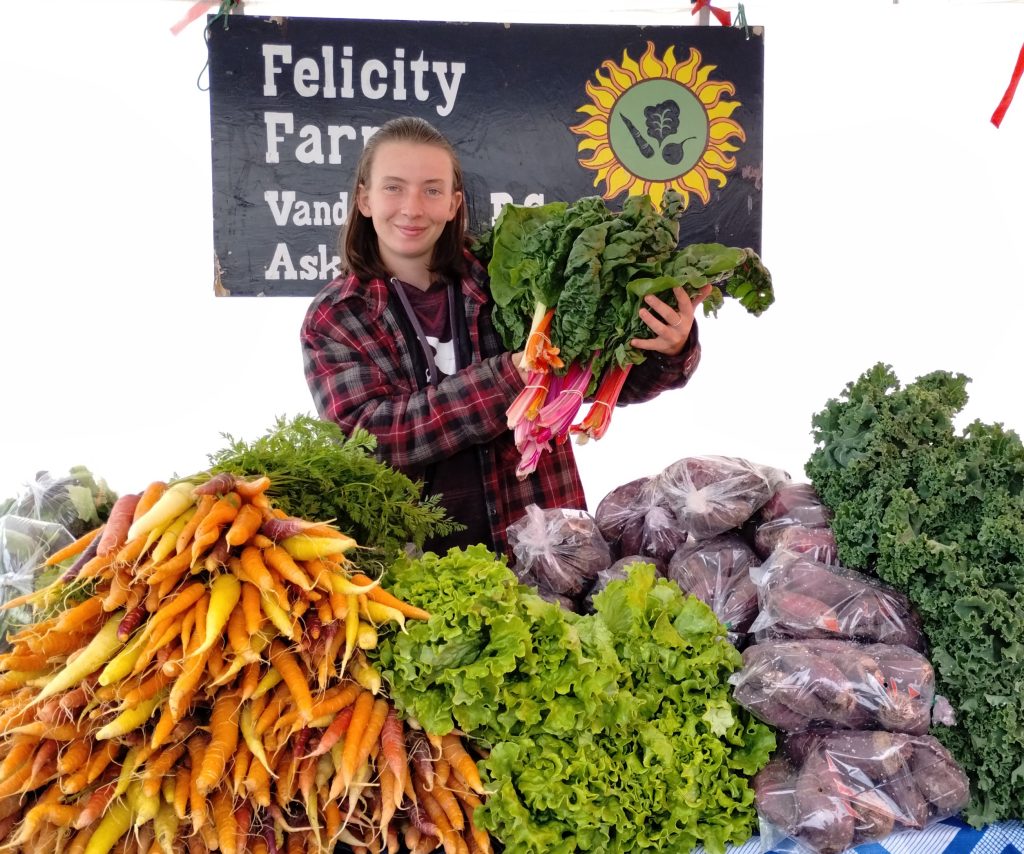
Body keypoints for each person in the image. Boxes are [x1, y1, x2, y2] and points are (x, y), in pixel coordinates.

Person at [300, 116, 710, 557]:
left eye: (432, 190)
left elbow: (599, 379)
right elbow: (369, 437)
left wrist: (669, 350)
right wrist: (508, 380)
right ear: (364, 199)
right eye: (393, 187)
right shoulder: (338, 315)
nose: (412, 208)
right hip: (415, 566)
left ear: (455, 203)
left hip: (549, 548)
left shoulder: (513, 275)